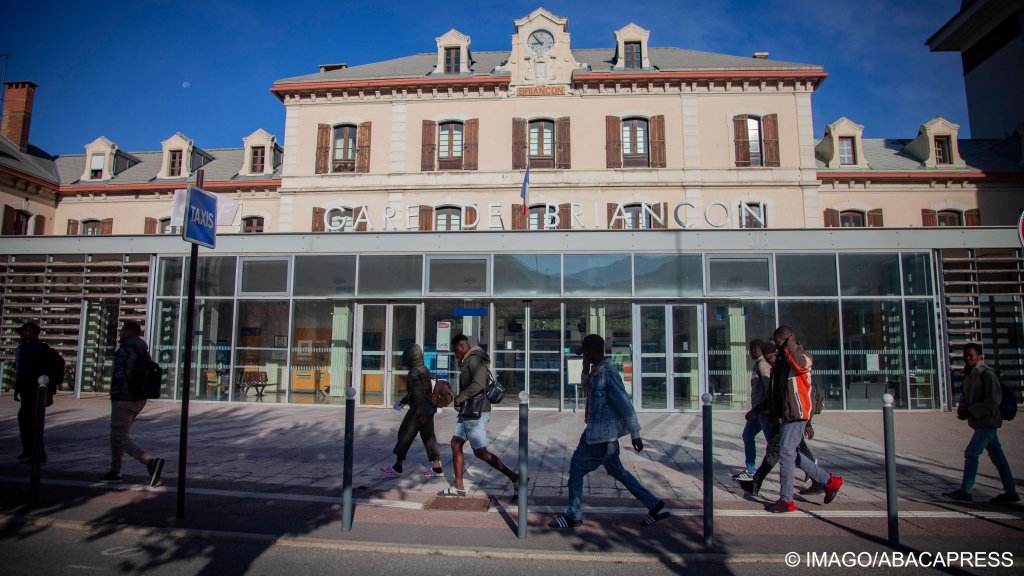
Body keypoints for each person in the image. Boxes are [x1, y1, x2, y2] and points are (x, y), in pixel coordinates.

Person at [548, 334, 669, 529]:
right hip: (601, 432)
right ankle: (653, 503)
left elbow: (625, 405)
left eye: (584, 354)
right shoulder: (596, 371)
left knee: (577, 468)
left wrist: (635, 434)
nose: (583, 358)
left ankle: (573, 514)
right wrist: (585, 372)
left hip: (600, 435)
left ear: (592, 352)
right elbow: (587, 392)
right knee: (617, 471)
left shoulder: (608, 373)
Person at [762, 326, 842, 513]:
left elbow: (799, 366)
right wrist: (774, 414)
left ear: (790, 339)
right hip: (788, 413)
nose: (778, 346)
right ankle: (830, 482)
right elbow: (778, 390)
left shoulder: (803, 356)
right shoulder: (784, 360)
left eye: (780, 342)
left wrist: (790, 344)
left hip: (799, 412)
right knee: (791, 453)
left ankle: (786, 500)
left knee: (786, 451)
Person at [738, 341, 826, 497]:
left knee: (783, 451)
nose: (770, 359)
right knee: (784, 450)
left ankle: (787, 494)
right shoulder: (777, 368)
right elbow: (772, 395)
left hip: (786, 418)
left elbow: (804, 397)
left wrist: (808, 424)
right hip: (779, 417)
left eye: (771, 355)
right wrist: (756, 410)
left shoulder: (792, 368)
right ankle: (823, 480)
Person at [438, 333, 518, 496]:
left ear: (462, 347)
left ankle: (516, 478)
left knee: (480, 452)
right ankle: (458, 486)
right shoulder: (469, 359)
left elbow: (478, 384)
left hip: (477, 412)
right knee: (456, 443)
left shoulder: (474, 359)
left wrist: (460, 397)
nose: (455, 355)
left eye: (455, 351)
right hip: (469, 410)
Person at [943, 343, 1019, 504]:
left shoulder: (987, 374)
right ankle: (1011, 491)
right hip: (980, 421)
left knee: (972, 453)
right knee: (998, 456)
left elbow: (994, 400)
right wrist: (963, 408)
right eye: (965, 355)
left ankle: (966, 490)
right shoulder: (969, 374)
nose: (968, 358)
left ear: (979, 356)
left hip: (988, 421)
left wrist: (971, 410)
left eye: (971, 355)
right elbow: (965, 394)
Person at [98, 321, 165, 487]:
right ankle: (115, 470)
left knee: (120, 436)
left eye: (122, 332)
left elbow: (119, 374)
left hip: (124, 398)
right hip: (139, 399)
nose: (120, 334)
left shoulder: (125, 350)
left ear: (128, 333)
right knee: (118, 434)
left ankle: (149, 462)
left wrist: (115, 394)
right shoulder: (143, 350)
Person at [380, 343, 444, 478]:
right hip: (429, 409)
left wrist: (420, 413)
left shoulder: (413, 372)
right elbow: (421, 391)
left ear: (410, 357)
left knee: (404, 435)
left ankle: (398, 466)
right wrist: (404, 401)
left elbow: (417, 394)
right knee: (429, 438)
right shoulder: (424, 369)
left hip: (418, 410)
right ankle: (437, 468)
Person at [734, 339, 774, 481]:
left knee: (776, 446)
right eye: (750, 349)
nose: (751, 352)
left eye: (753, 349)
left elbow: (769, 388)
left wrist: (762, 409)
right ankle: (750, 469)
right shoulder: (758, 364)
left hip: (763, 412)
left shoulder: (763, 365)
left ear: (760, 350)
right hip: (756, 413)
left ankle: (809, 466)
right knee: (747, 435)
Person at [13, 321, 53, 464]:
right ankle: (32, 452)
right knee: (30, 421)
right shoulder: (35, 347)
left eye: (25, 331)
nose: (22, 334)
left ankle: (34, 453)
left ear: (31, 332)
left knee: (29, 421)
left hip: (32, 390)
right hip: (34, 389)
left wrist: (18, 387)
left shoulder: (30, 348)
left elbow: (25, 371)